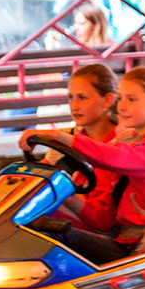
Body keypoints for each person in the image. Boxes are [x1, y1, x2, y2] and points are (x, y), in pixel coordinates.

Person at [19, 66, 145, 264]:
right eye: (121, 98)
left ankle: (129, 278)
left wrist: (59, 136)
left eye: (131, 99)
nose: (122, 106)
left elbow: (116, 157)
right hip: (125, 236)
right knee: (45, 231)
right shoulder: (131, 140)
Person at [48, 63, 120, 233]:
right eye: (70, 97)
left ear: (108, 100)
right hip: (75, 220)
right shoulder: (70, 140)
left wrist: (66, 193)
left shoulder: (119, 147)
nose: (74, 106)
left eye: (82, 98)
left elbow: (105, 220)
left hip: (100, 231)